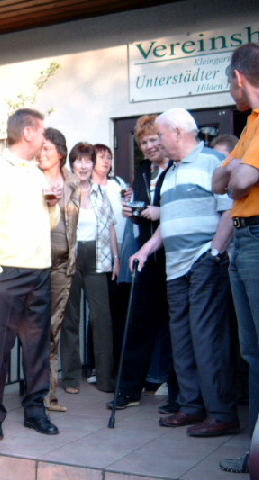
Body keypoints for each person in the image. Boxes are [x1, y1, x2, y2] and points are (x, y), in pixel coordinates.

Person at [131, 107, 239, 436]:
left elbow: (230, 210)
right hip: (174, 268)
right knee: (181, 339)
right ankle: (192, 407)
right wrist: (147, 248)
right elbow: (170, 221)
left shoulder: (213, 162)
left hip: (204, 261)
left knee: (207, 338)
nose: (158, 141)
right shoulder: (170, 173)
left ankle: (222, 414)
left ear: (178, 132)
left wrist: (215, 252)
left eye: (161, 134)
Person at [0, 108, 61, 441]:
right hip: (8, 272)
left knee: (37, 347)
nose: (45, 139)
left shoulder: (38, 175)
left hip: (40, 271)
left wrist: (52, 204)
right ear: (28, 133)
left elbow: (50, 223)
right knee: (0, 348)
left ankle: (35, 412)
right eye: (42, 132)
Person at [105, 114, 178, 413]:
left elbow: (175, 209)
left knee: (177, 328)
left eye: (153, 139)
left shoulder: (177, 168)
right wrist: (132, 212)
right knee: (137, 325)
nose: (149, 146)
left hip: (175, 256)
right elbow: (141, 212)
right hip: (148, 258)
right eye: (144, 142)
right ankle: (128, 391)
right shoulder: (144, 171)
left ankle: (179, 396)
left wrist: (159, 211)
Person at [213, 43, 259, 474]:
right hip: (243, 240)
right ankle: (256, 454)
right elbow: (220, 180)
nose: (230, 90)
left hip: (257, 238)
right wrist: (235, 176)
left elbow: (241, 180)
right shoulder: (249, 127)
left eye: (229, 82)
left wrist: (235, 176)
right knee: (253, 354)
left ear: (239, 79)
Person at [60, 143, 119, 394]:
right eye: (78, 161)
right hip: (70, 257)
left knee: (102, 317)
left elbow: (111, 225)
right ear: (72, 163)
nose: (83, 166)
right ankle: (70, 377)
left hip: (97, 256)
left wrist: (116, 258)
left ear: (93, 164)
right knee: (70, 319)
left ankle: (105, 378)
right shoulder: (63, 191)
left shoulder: (101, 192)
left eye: (88, 161)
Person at [38, 127, 79, 413]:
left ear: (60, 153)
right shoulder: (32, 180)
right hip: (35, 263)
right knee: (34, 330)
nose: (41, 154)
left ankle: (49, 396)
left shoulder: (73, 183)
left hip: (64, 264)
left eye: (47, 149)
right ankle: (34, 391)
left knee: (54, 329)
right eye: (39, 149)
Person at [93, 144, 128, 379]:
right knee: (100, 310)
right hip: (99, 250)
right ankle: (98, 365)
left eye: (109, 157)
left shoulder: (119, 184)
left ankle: (116, 364)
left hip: (122, 248)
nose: (106, 161)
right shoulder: (87, 186)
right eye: (101, 157)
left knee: (119, 307)